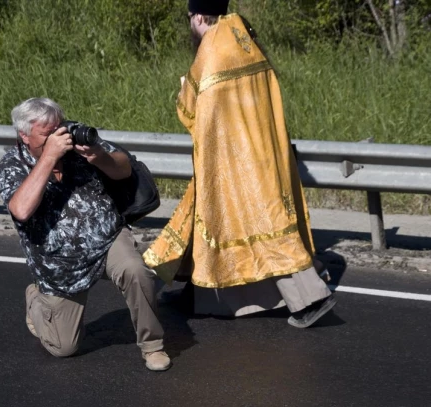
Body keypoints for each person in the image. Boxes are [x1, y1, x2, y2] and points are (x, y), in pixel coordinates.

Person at [143, 0, 337, 328]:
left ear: (200, 16)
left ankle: (311, 298)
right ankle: (196, 295)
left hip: (234, 162)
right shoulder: (245, 41)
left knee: (265, 229)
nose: (190, 25)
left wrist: (181, 90)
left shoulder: (212, 49)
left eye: (190, 18)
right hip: (265, 152)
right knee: (210, 223)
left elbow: (188, 109)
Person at [0, 97, 171, 371]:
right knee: (64, 348)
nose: (58, 137)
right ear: (24, 135)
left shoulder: (75, 143)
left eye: (58, 129)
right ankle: (36, 300)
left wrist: (100, 157)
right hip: (59, 266)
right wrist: (50, 156)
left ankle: (153, 347)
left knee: (136, 271)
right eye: (47, 133)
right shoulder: (12, 165)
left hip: (107, 239)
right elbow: (21, 209)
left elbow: (125, 168)